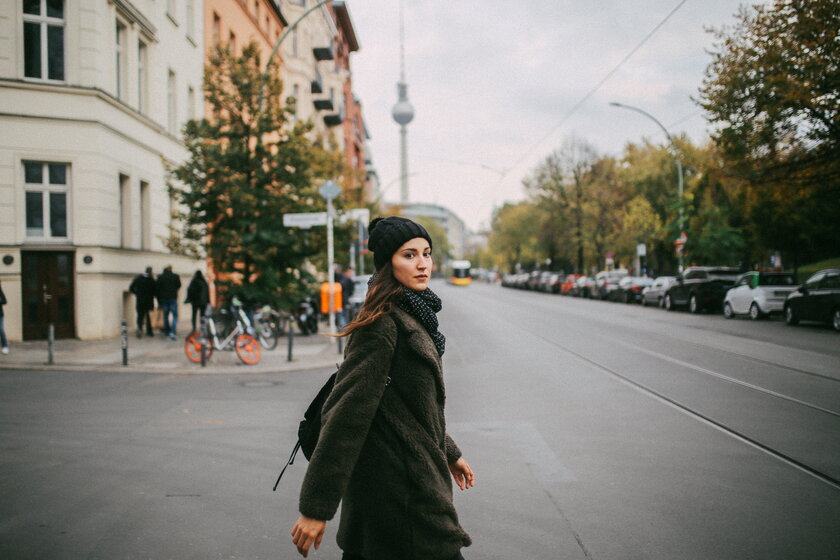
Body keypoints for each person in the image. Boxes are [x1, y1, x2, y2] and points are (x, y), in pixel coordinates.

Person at [291, 216, 475, 560]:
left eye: (427, 253)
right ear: (388, 264)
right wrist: (316, 507)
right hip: (399, 495)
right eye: (409, 255)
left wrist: (449, 451)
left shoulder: (416, 317)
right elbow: (346, 415)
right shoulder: (381, 326)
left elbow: (413, 405)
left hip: (408, 489)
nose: (423, 264)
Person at [129, 267, 156, 338]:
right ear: (150, 272)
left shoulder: (139, 278)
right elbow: (155, 290)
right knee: (149, 317)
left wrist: (137, 293)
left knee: (140, 316)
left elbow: (131, 288)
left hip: (140, 300)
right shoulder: (151, 279)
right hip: (149, 301)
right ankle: (149, 331)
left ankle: (139, 329)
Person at [156, 265, 182, 340]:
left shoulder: (161, 277)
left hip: (164, 299)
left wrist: (159, 301)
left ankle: (167, 331)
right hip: (173, 298)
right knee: (174, 316)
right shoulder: (175, 276)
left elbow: (157, 289)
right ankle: (173, 332)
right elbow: (179, 285)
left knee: (165, 316)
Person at [0, 279, 8, 354]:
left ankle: (5, 346)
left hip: (0, 315)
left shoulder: (0, 292)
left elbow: (5, 301)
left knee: (1, 330)